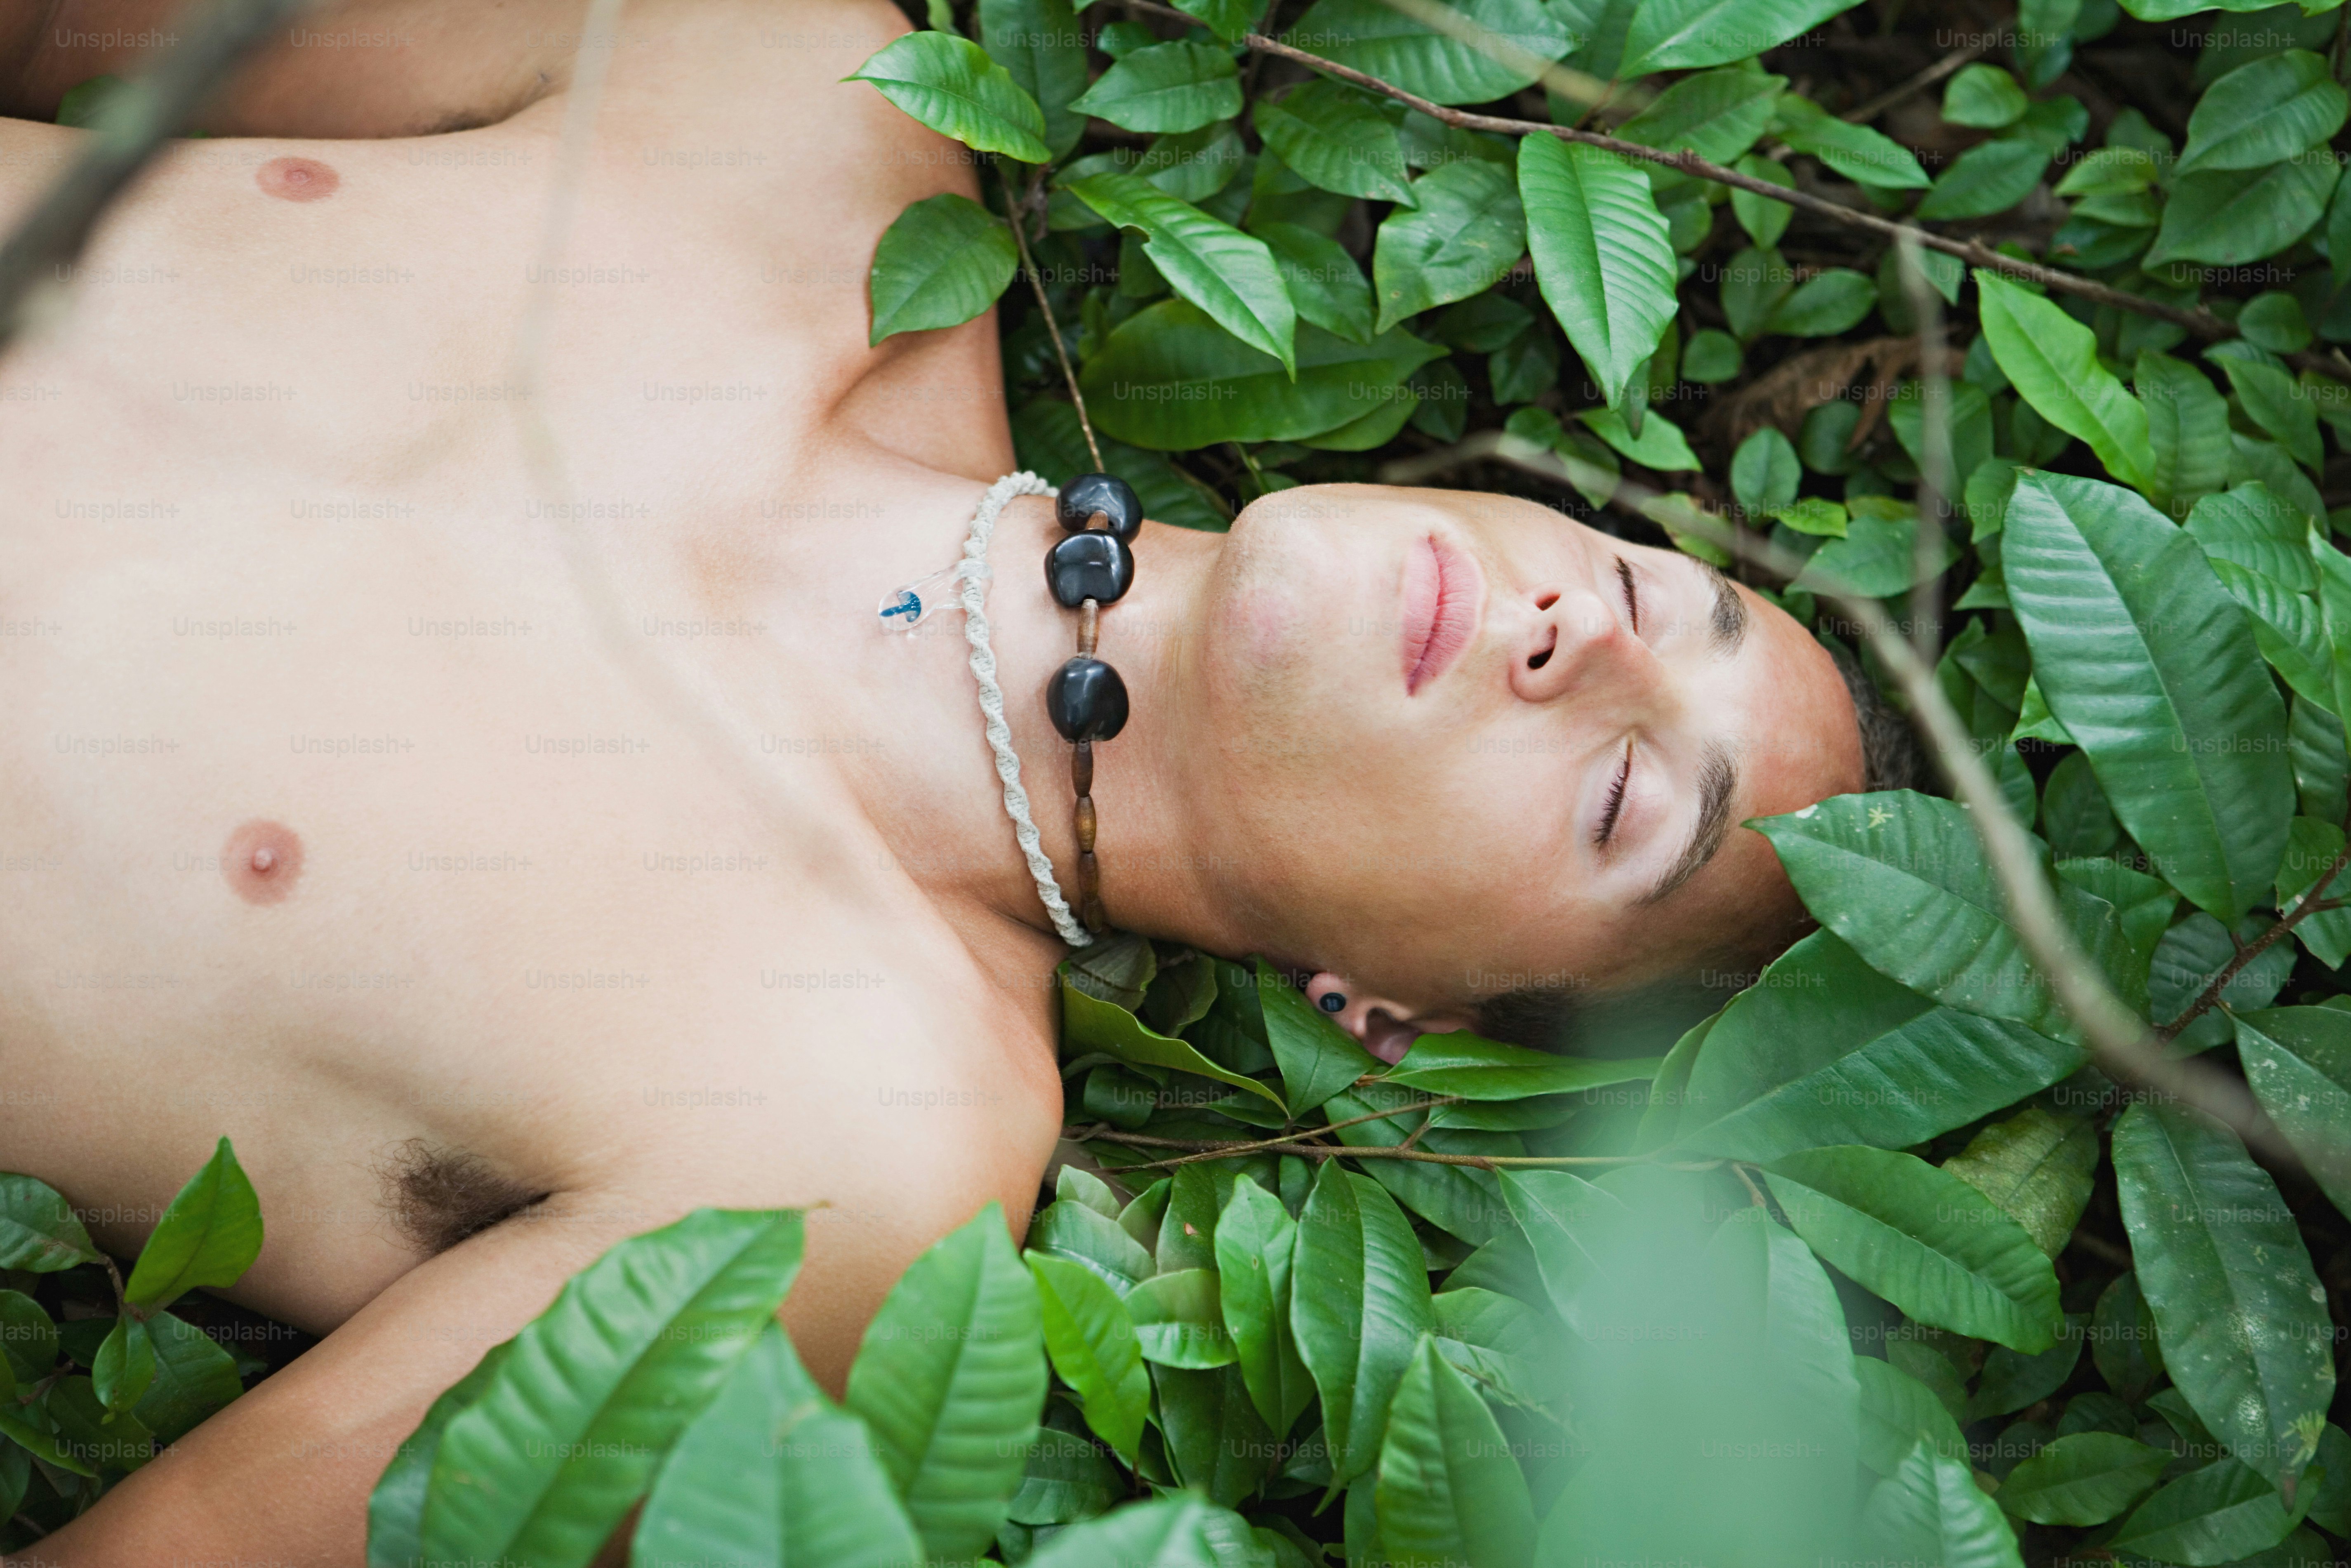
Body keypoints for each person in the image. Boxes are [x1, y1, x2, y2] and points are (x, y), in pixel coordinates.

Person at [0, 0, 1880, 1558]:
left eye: (1625, 799)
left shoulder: (853, 1148)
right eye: (1646, 590)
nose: (1587, 642)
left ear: (1396, 1017)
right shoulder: (805, 110)